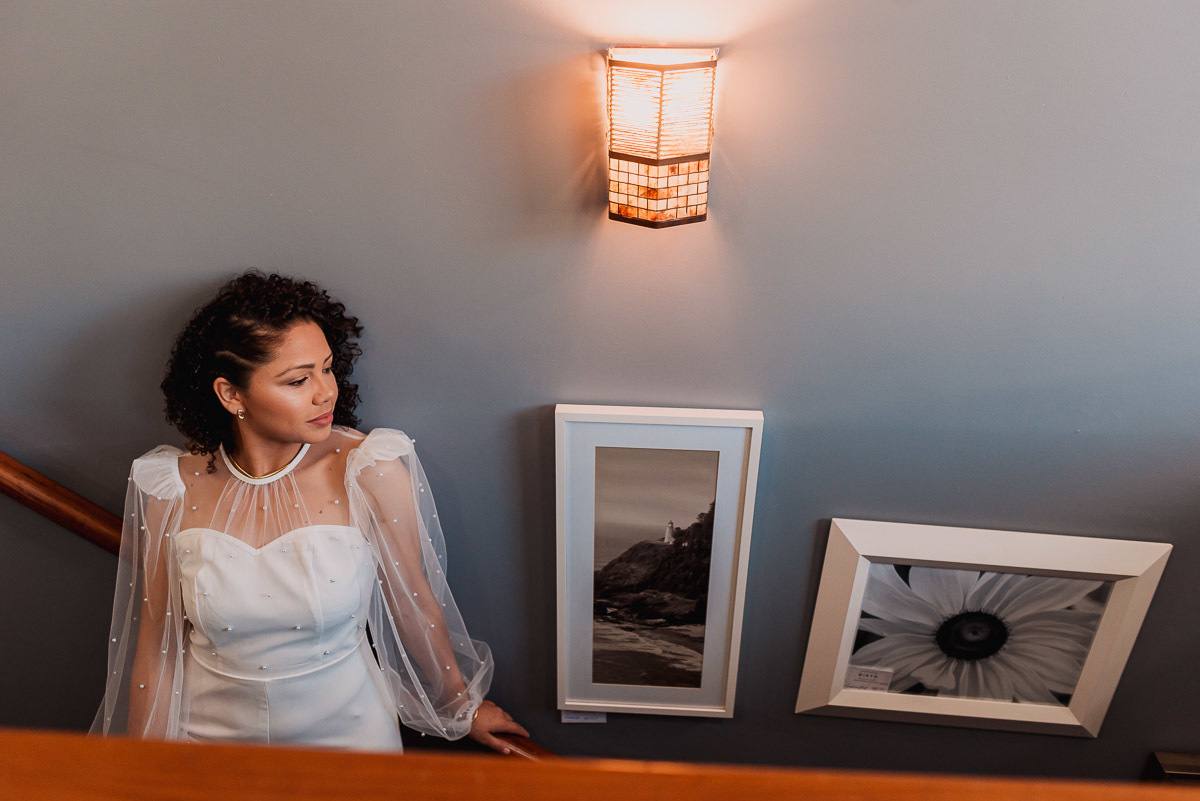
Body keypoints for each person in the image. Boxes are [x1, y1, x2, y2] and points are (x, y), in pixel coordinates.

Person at [92, 271, 529, 753]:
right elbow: (157, 648)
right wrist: (143, 764)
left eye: (327, 368)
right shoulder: (170, 488)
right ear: (231, 394)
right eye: (299, 380)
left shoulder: (368, 470)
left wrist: (461, 708)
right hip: (206, 744)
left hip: (350, 739)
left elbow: (412, 604)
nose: (326, 392)